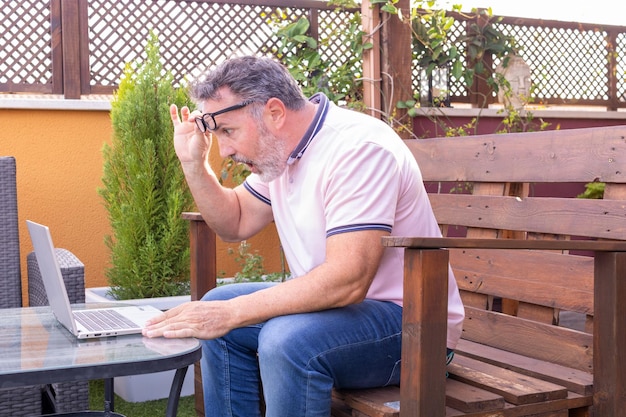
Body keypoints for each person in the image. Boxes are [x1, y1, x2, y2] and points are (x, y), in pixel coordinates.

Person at [143, 55, 465, 417]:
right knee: (219, 311)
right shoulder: (283, 153)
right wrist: (194, 166)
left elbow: (347, 280)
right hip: (339, 314)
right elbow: (234, 222)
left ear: (275, 112)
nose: (225, 150)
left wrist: (231, 312)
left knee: (285, 342)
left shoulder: (356, 150)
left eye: (228, 131)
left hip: (412, 327)